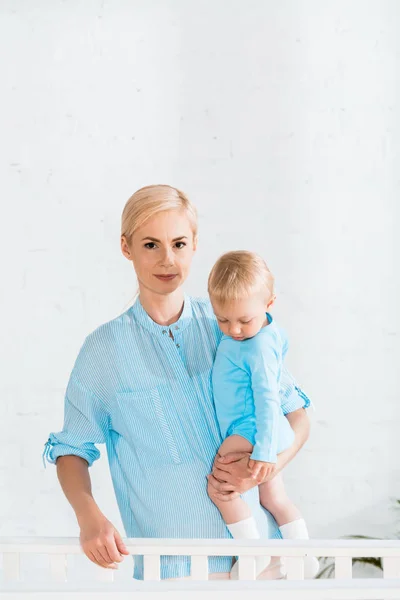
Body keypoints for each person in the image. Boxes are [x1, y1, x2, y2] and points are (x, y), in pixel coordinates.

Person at [42, 184, 311, 580]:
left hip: (266, 564)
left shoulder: (233, 327)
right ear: (126, 247)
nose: (167, 259)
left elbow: (298, 415)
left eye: (179, 243)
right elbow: (70, 449)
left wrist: (264, 469)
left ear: (195, 245)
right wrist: (90, 517)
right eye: (151, 244)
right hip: (174, 573)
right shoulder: (103, 352)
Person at [207, 250, 319, 578]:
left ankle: (252, 553)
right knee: (274, 495)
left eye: (244, 320)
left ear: (269, 304)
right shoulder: (268, 333)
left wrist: (265, 452)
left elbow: (269, 401)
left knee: (221, 486)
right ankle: (303, 553)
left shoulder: (257, 349)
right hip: (265, 432)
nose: (234, 329)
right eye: (223, 320)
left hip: (252, 429)